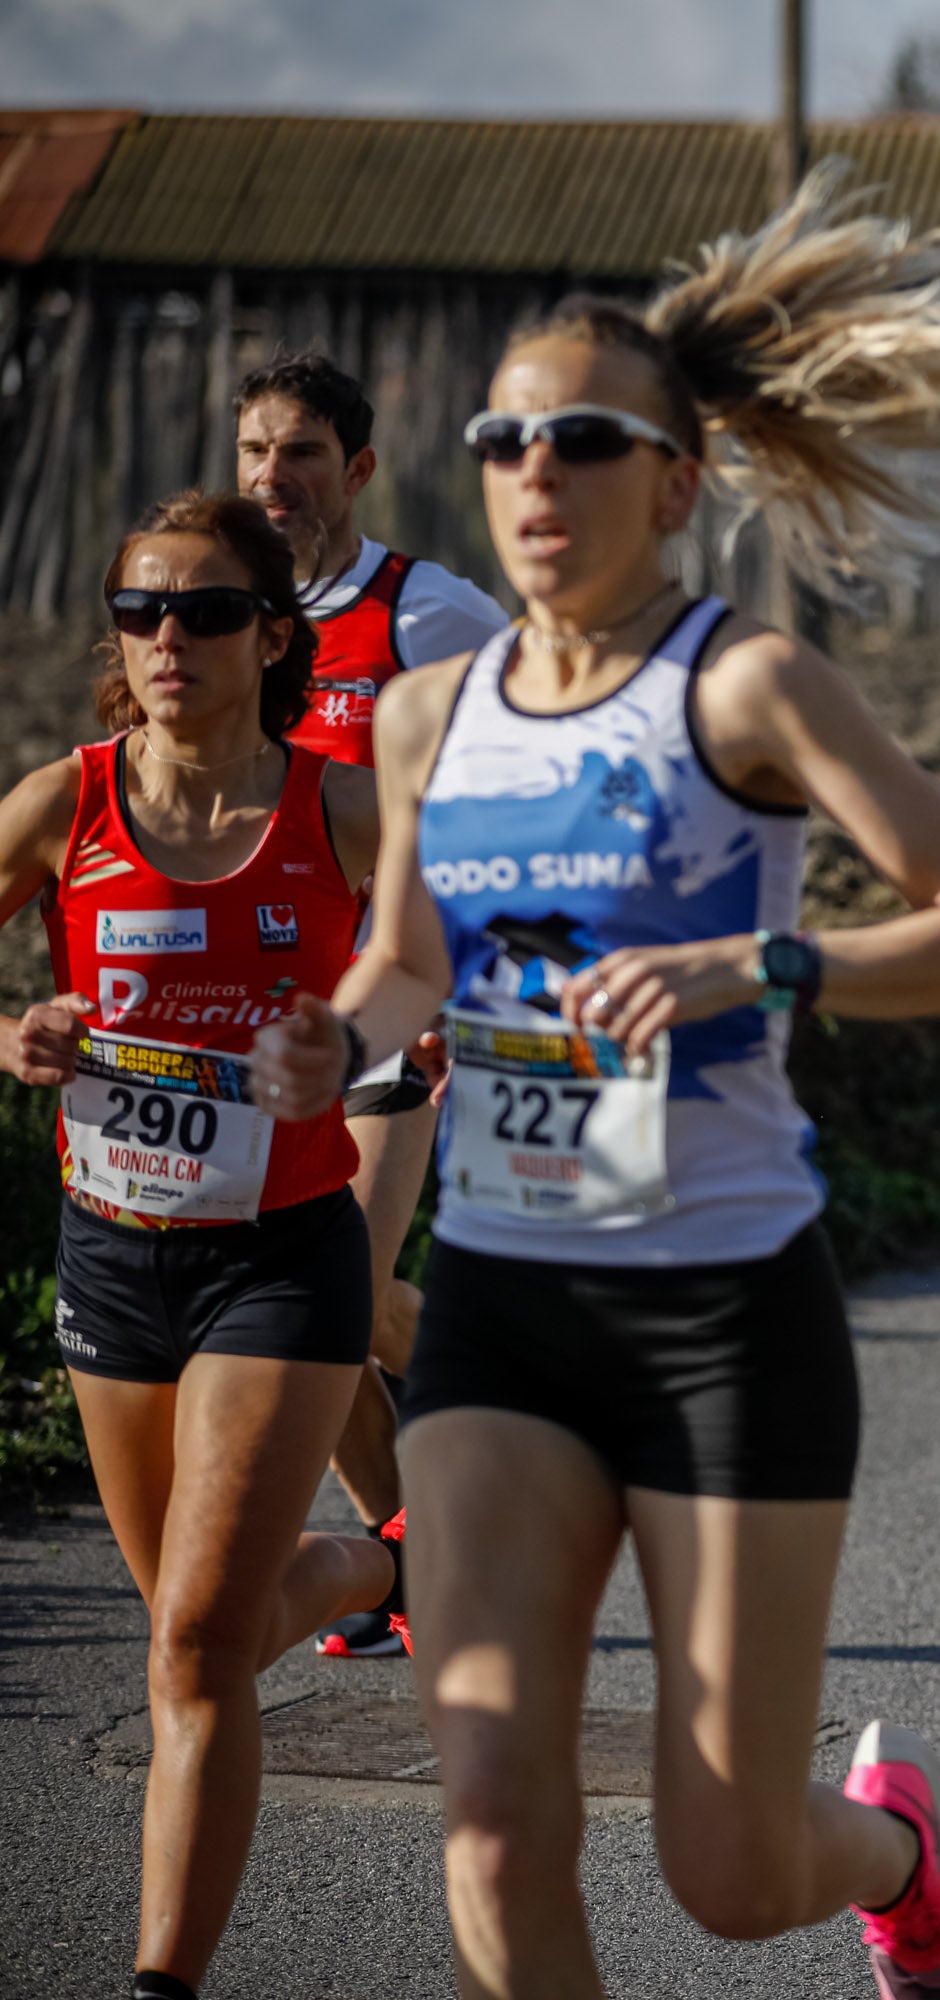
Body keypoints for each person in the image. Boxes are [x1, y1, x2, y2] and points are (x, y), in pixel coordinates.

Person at [249, 170, 940, 2000]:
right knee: (496, 1820)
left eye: (583, 439)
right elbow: (408, 964)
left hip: (720, 1318)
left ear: (673, 481)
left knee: (731, 1868)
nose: (535, 471)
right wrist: (332, 1040)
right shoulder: (430, 711)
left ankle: (904, 1858)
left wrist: (765, 963)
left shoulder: (747, 686)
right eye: (506, 436)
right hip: (508, 1310)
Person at [0, 492, 399, 2000]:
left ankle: (163, 1978)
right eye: (140, 610)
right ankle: (373, 1565)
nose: (169, 637)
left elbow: (459, 959)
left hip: (280, 1255)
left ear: (271, 635)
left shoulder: (339, 811)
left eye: (209, 611)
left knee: (189, 1646)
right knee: (195, 1622)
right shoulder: (68, 803)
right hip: (109, 1250)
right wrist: (10, 1034)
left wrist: (361, 1044)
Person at [231, 349, 514, 1660]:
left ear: (354, 471)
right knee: (323, 1298)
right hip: (250, 1020)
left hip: (397, 1008)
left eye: (297, 454)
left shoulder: (430, 612)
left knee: (330, 1289)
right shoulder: (220, 613)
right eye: (252, 454)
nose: (271, 478)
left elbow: (518, 791)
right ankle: (421, 1558)